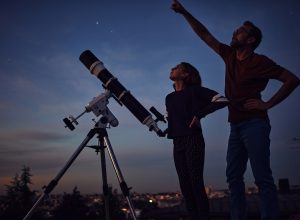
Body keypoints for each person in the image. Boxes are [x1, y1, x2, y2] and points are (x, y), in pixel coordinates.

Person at [170, 1, 300, 220]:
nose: (235, 32)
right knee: (233, 178)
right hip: (235, 125)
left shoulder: (261, 62)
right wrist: (184, 12)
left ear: (251, 40)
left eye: (241, 31)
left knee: (262, 178)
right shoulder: (229, 55)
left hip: (255, 123)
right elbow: (205, 35)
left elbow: (292, 80)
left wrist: (267, 104)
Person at [166, 62, 227, 220]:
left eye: (177, 67)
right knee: (185, 186)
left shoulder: (195, 91)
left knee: (195, 183)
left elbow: (222, 100)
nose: (172, 68)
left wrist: (200, 114)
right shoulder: (169, 98)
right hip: (177, 142)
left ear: (186, 75)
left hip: (193, 139)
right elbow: (175, 118)